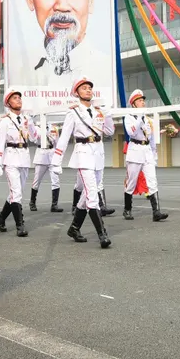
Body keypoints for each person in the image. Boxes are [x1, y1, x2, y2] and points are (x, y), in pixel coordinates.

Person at [53, 77, 114, 248]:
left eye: (89, 88)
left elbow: (108, 131)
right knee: (92, 195)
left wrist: (107, 114)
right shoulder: (73, 112)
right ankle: (103, 235)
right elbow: (64, 138)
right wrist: (56, 162)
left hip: (98, 155)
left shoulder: (97, 111)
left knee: (86, 195)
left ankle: (74, 228)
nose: (88, 90)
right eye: (84, 88)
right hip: (83, 154)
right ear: (77, 93)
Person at [121, 89, 168, 222]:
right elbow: (131, 133)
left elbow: (151, 137)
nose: (143, 102)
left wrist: (154, 153)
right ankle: (127, 209)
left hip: (147, 150)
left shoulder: (148, 119)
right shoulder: (129, 117)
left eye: (143, 100)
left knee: (152, 181)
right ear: (134, 104)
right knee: (131, 182)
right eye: (140, 100)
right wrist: (140, 118)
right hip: (135, 149)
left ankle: (156, 211)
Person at [0, 89, 31, 238]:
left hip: (24, 157)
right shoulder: (5, 121)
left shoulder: (27, 119)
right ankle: (20, 225)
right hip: (11, 158)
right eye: (15, 98)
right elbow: (0, 142)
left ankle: (1, 216)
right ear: (8, 103)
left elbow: (33, 136)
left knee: (16, 192)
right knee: (16, 193)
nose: (18, 100)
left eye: (19, 97)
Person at [29, 122, 63, 212]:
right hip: (41, 155)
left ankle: (54, 205)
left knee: (56, 181)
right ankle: (32, 202)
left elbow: (57, 143)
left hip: (52, 154)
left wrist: (58, 159)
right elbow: (33, 139)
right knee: (36, 181)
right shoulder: (36, 127)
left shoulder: (54, 128)